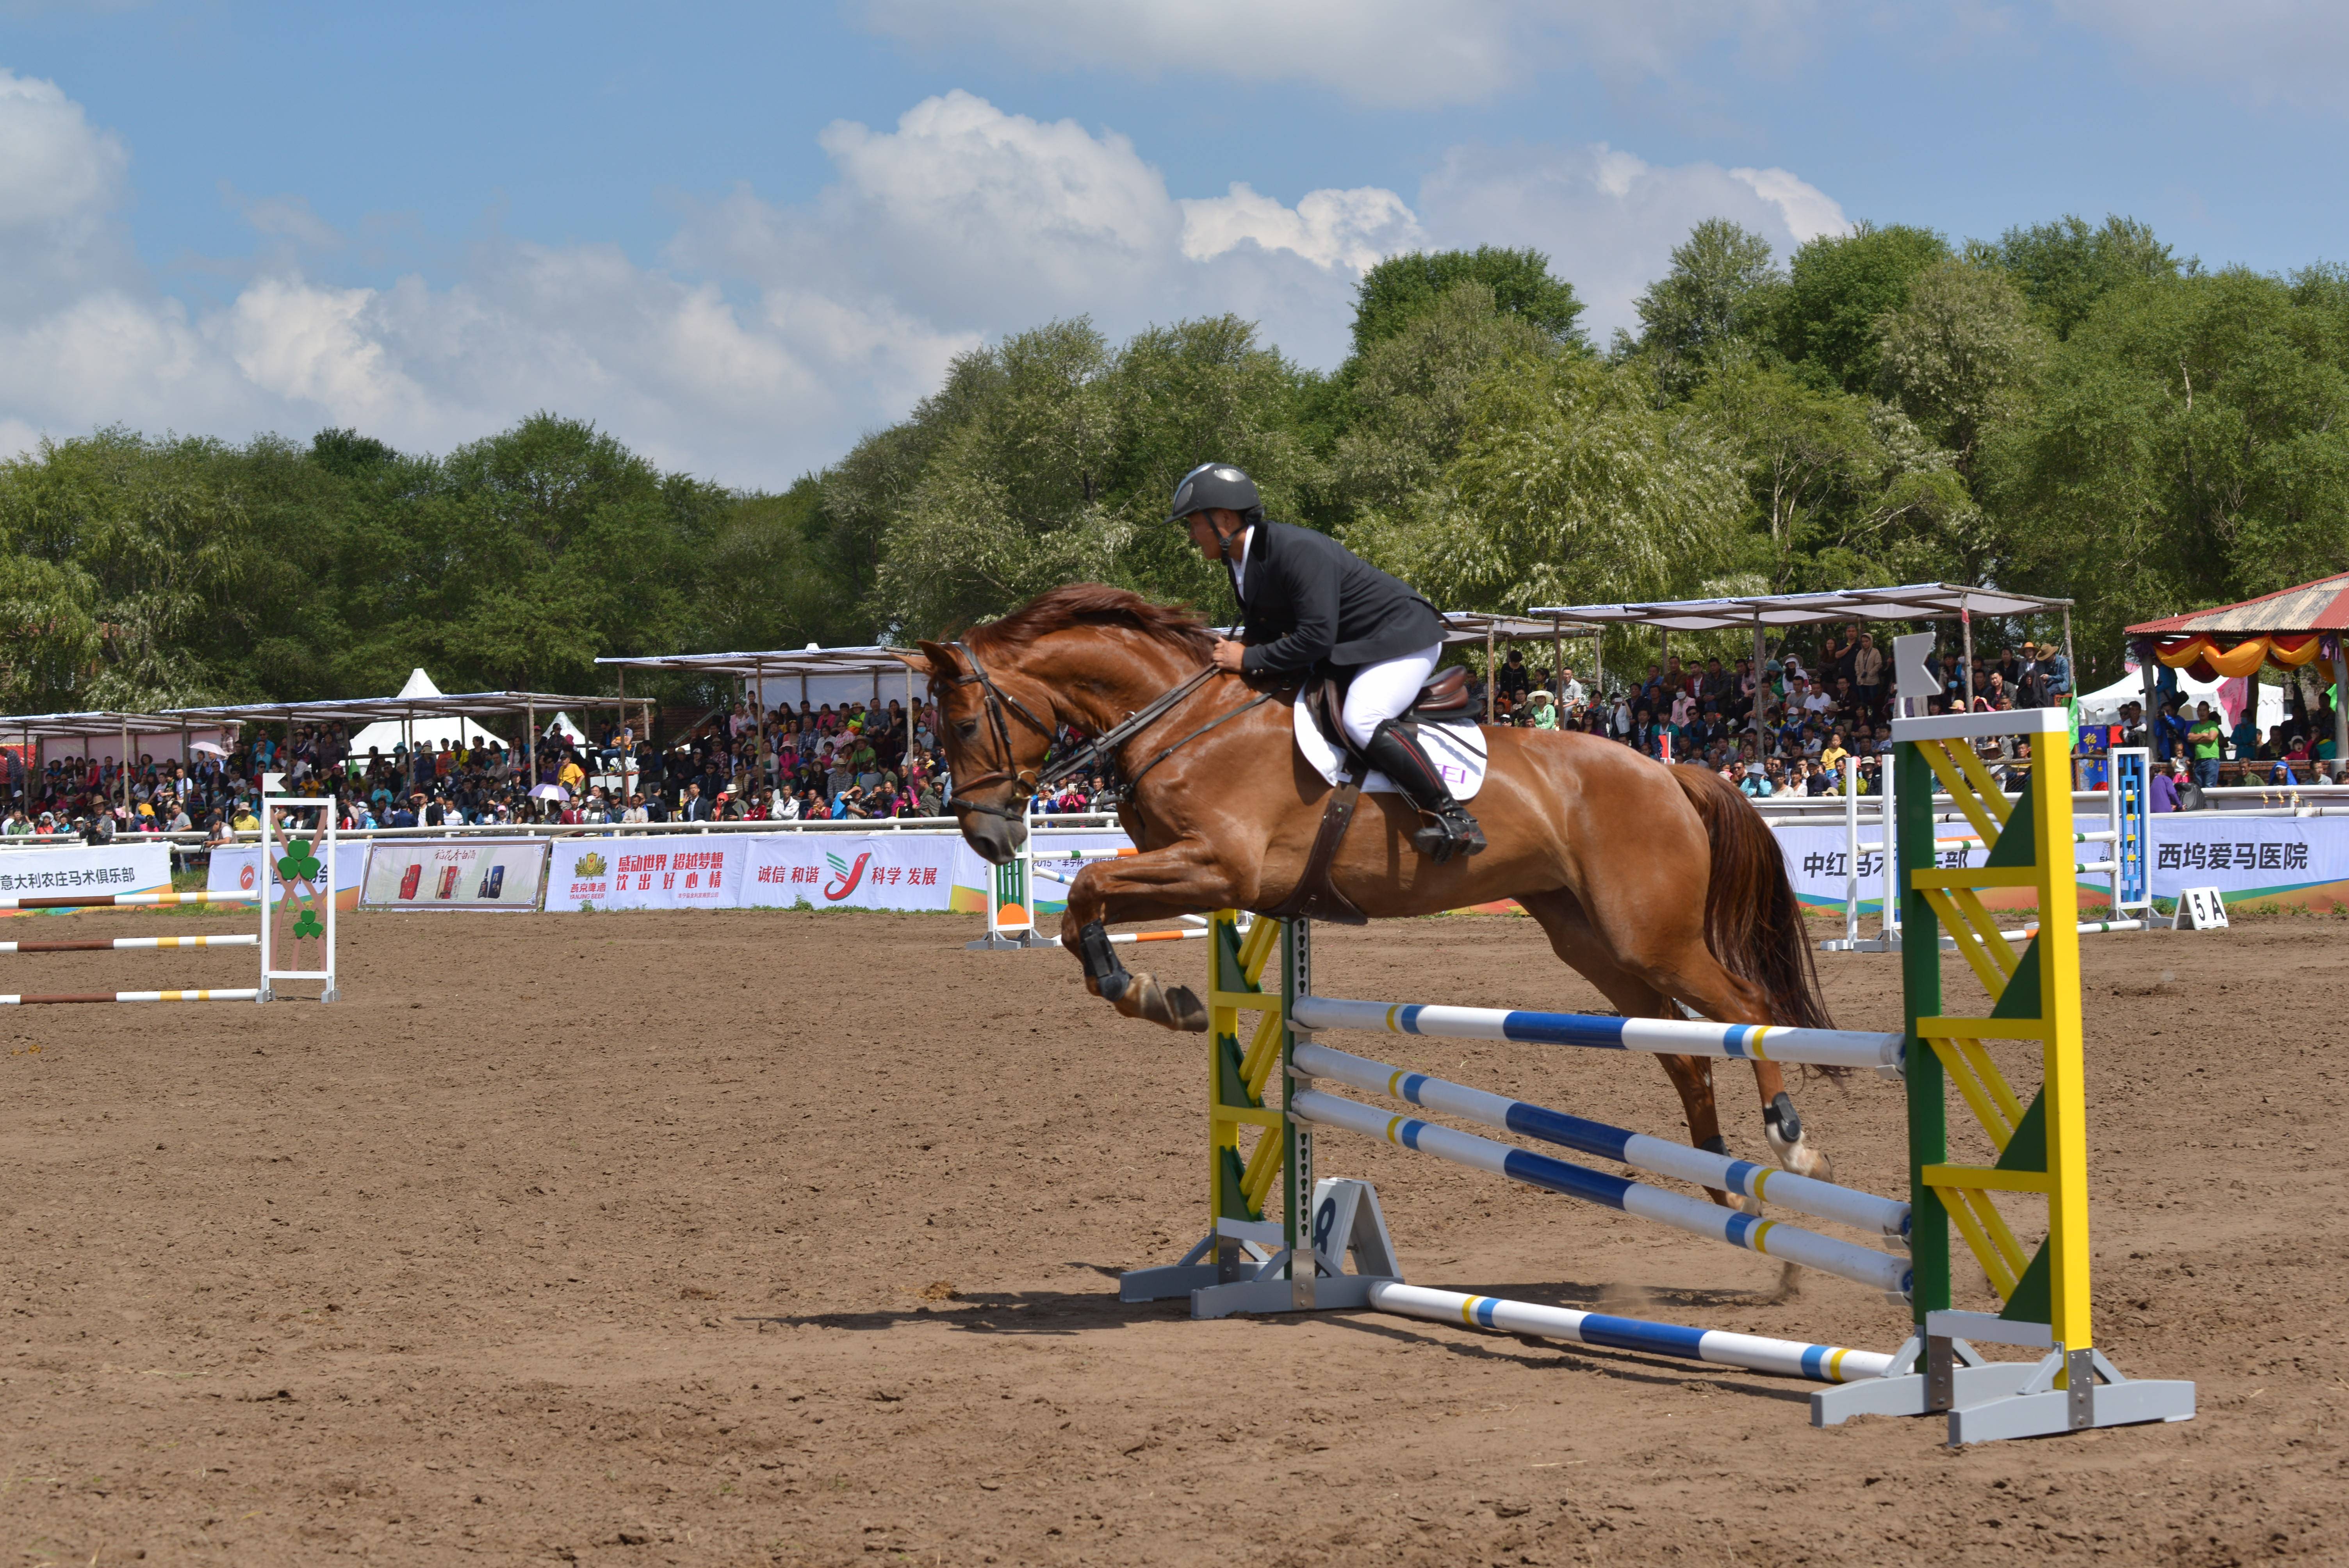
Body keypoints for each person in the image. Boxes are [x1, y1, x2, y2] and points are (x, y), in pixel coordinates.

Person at [1173, 461, 1483, 861]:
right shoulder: (1241, 562)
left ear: (1225, 518)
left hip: (1400, 638)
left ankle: (1452, 814)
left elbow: (1316, 637)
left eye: (1193, 523)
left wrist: (1247, 656)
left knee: (1361, 717)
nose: (1191, 534)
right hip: (1353, 648)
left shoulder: (1295, 549)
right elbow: (1264, 632)